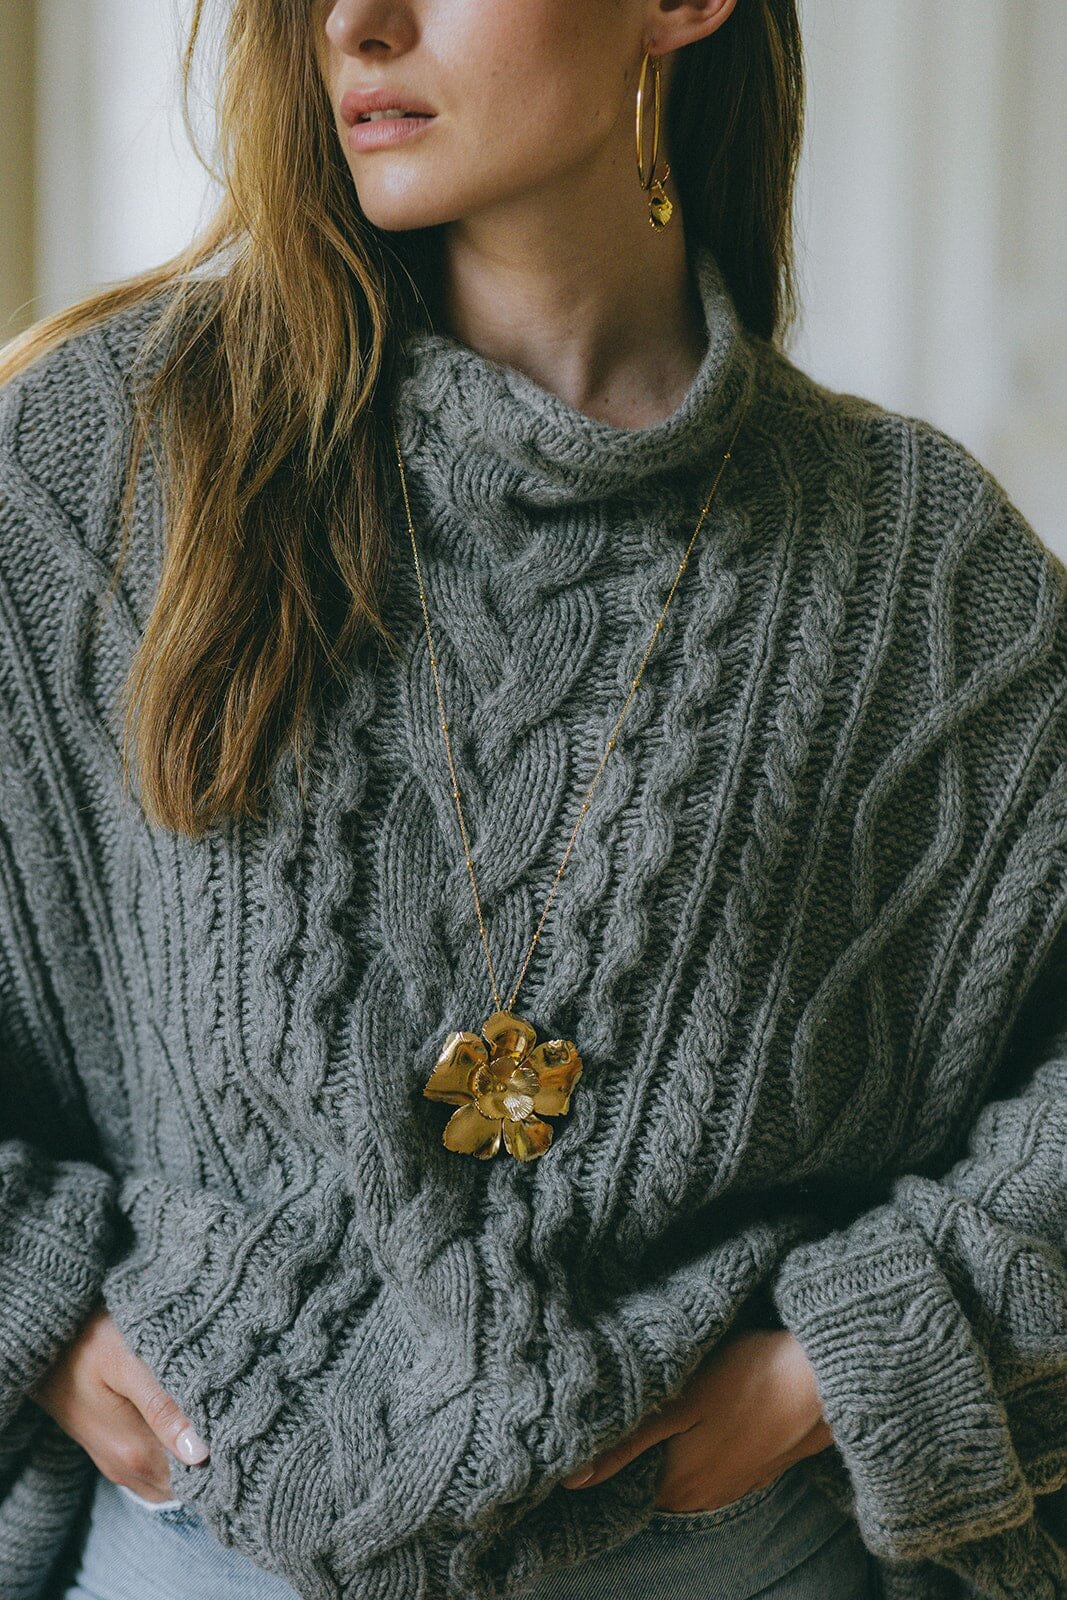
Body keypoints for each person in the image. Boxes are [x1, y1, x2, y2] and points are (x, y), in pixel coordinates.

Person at [0, 0, 1063, 1598]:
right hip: (196, 1550)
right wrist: (33, 1301)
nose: (355, 23)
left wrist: (843, 1363)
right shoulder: (111, 466)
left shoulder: (922, 572)